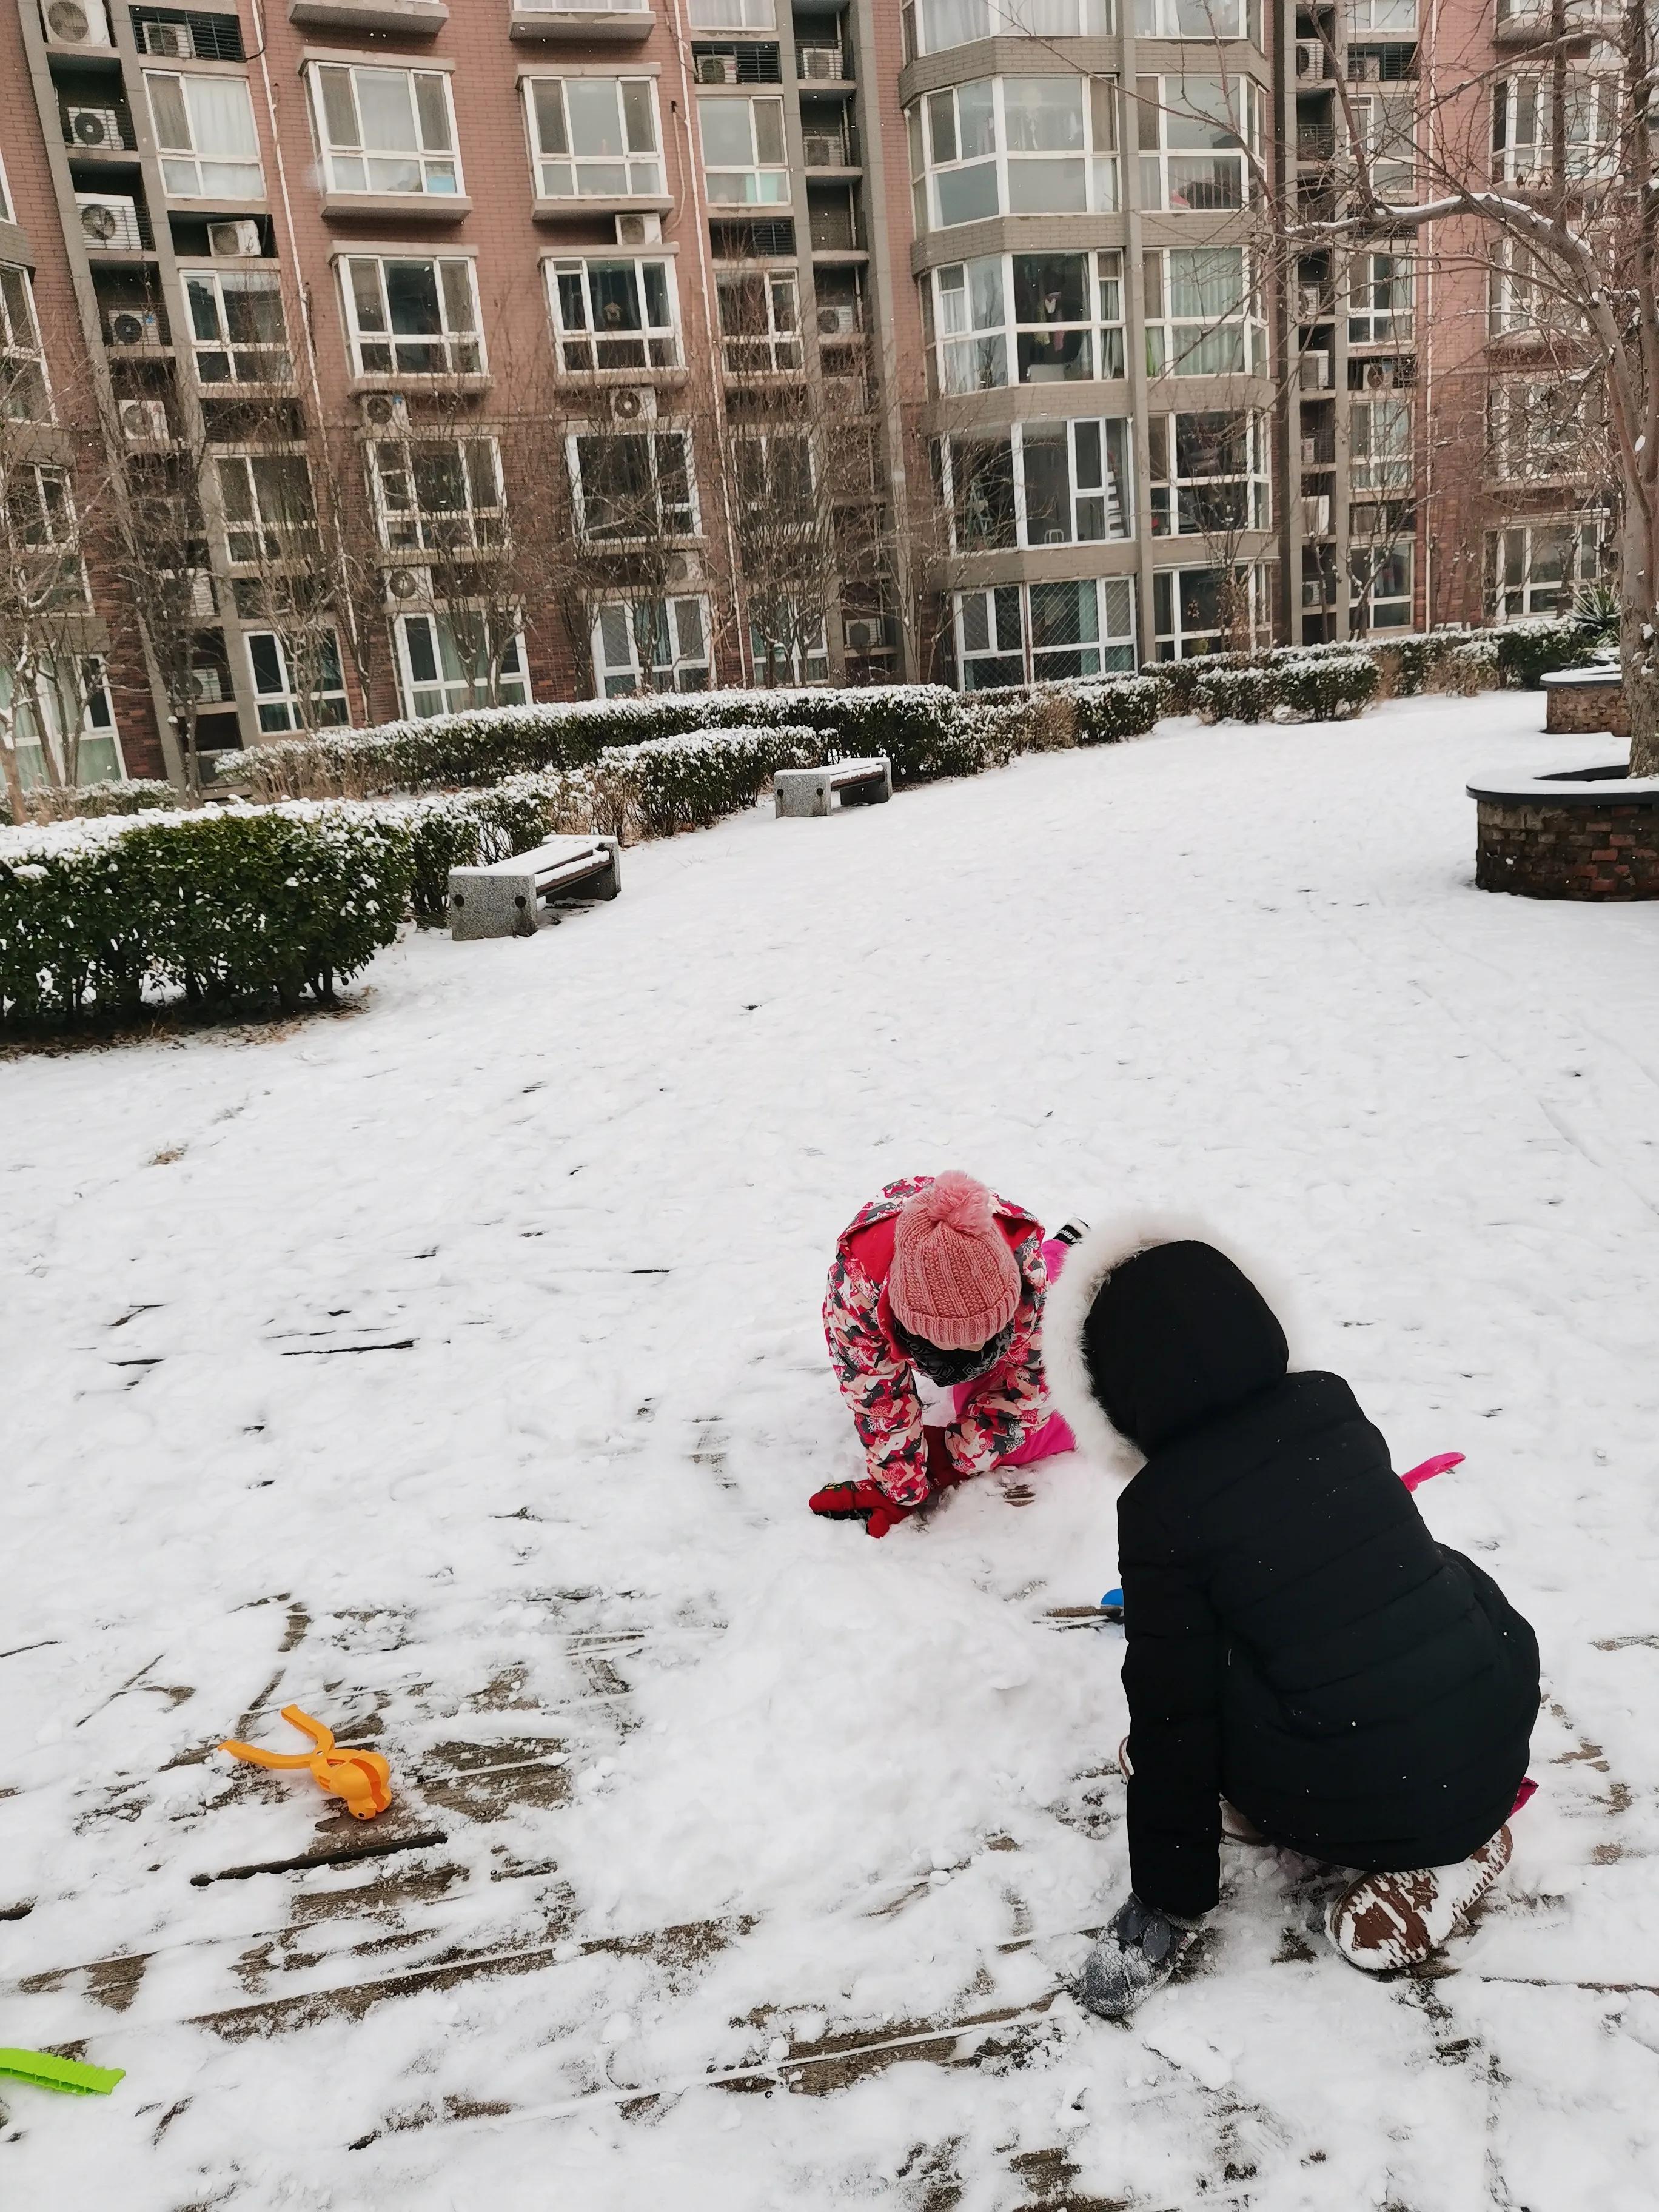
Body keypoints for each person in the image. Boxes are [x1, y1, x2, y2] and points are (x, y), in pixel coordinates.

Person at [1043, 1224, 1541, 2014]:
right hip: (1492, 1706)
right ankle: (1461, 1801)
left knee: (1201, 1693)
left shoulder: (1160, 1508)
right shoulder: (1328, 1404)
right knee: (1423, 1569)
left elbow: (1174, 1713)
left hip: (1372, 1791)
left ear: (1109, 1394)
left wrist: (1165, 1904)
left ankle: (1443, 1856)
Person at [809, 1173, 1082, 1538]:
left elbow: (1036, 1383)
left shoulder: (1024, 1271)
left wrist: (949, 1458)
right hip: (894, 1262)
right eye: (949, 1349)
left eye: (986, 1341)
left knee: (1014, 1423)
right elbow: (877, 1399)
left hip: (998, 1257)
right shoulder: (855, 1298)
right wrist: (900, 1485)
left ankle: (1066, 1250)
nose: (971, 1359)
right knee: (975, 1400)